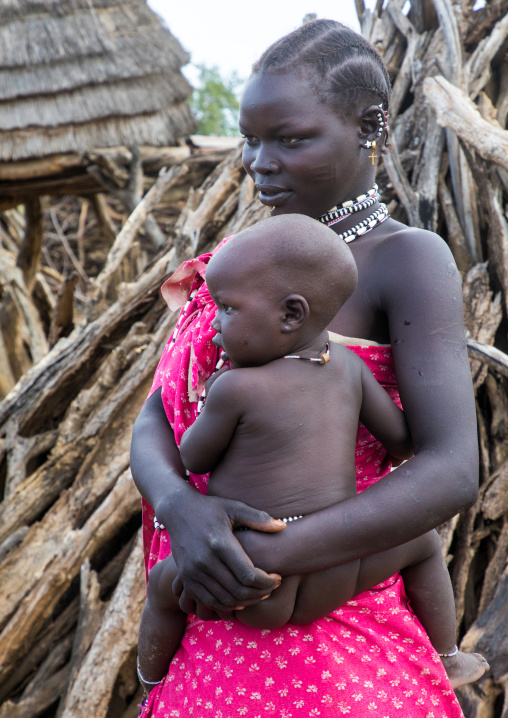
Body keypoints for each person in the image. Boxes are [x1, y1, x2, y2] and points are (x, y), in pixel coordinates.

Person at [131, 19, 483, 717]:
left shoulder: (403, 260)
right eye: (250, 139)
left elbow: (449, 468)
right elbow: (156, 418)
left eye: (291, 139)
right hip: (212, 627)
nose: (260, 161)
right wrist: (184, 514)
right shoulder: (245, 266)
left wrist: (264, 554)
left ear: (370, 125)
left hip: (339, 641)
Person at [136, 215, 487, 697]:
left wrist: (211, 398)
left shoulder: (235, 387)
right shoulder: (349, 369)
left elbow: (194, 458)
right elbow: (403, 444)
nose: (213, 323)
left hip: (241, 576)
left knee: (162, 587)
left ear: (290, 316)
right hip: (334, 571)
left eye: (227, 310)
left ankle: (151, 679)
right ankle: (447, 655)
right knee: (423, 544)